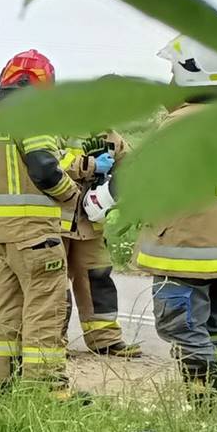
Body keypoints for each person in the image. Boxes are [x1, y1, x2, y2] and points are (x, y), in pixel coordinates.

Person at [0, 50, 82, 392]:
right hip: (34, 234)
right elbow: (45, 170)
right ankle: (45, 388)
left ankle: (3, 384)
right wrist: (76, 198)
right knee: (45, 308)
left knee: (5, 307)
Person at [137, 35, 217, 403]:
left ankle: (205, 404)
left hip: (183, 253)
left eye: (173, 72)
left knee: (182, 328)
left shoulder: (180, 124)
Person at [60, 131, 140, 357]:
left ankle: (105, 339)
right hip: (56, 221)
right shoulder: (56, 127)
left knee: (98, 278)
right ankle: (51, 342)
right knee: (54, 284)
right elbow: (47, 164)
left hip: (90, 222)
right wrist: (89, 165)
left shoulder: (110, 136)